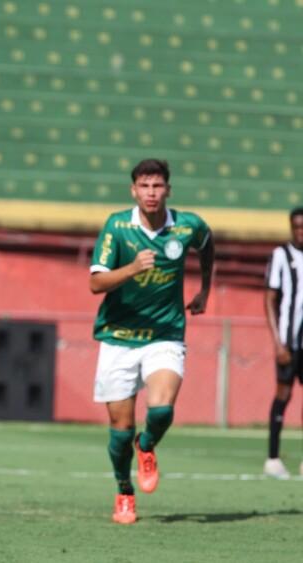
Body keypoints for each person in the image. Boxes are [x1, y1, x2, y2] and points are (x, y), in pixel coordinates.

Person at [88, 159, 214, 524]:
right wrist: (131, 269)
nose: (151, 193)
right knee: (119, 429)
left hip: (165, 334)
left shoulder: (187, 226)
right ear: (134, 191)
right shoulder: (117, 225)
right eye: (144, 186)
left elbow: (208, 246)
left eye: (157, 186)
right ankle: (124, 492)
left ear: (168, 190)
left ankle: (147, 445)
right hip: (117, 337)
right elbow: (95, 283)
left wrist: (204, 289)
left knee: (161, 411)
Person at [262, 207, 303, 479]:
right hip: (289, 340)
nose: (301, 231)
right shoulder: (281, 256)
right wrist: (278, 342)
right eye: (297, 226)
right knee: (283, 395)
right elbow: (269, 299)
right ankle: (273, 458)